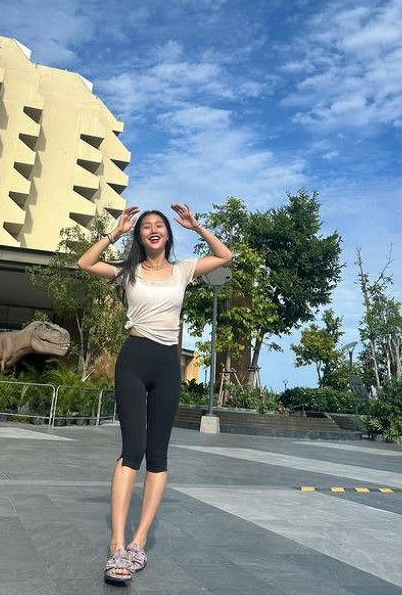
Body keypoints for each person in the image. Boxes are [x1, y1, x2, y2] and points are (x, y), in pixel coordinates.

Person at [77, 203, 232, 586]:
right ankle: (117, 543)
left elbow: (224, 255)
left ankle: (139, 541)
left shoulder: (183, 270)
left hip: (167, 365)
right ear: (140, 236)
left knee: (158, 455)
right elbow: (85, 262)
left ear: (168, 233)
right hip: (133, 360)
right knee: (132, 450)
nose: (153, 229)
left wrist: (197, 226)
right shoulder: (127, 272)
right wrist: (114, 232)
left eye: (159, 224)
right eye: (146, 226)